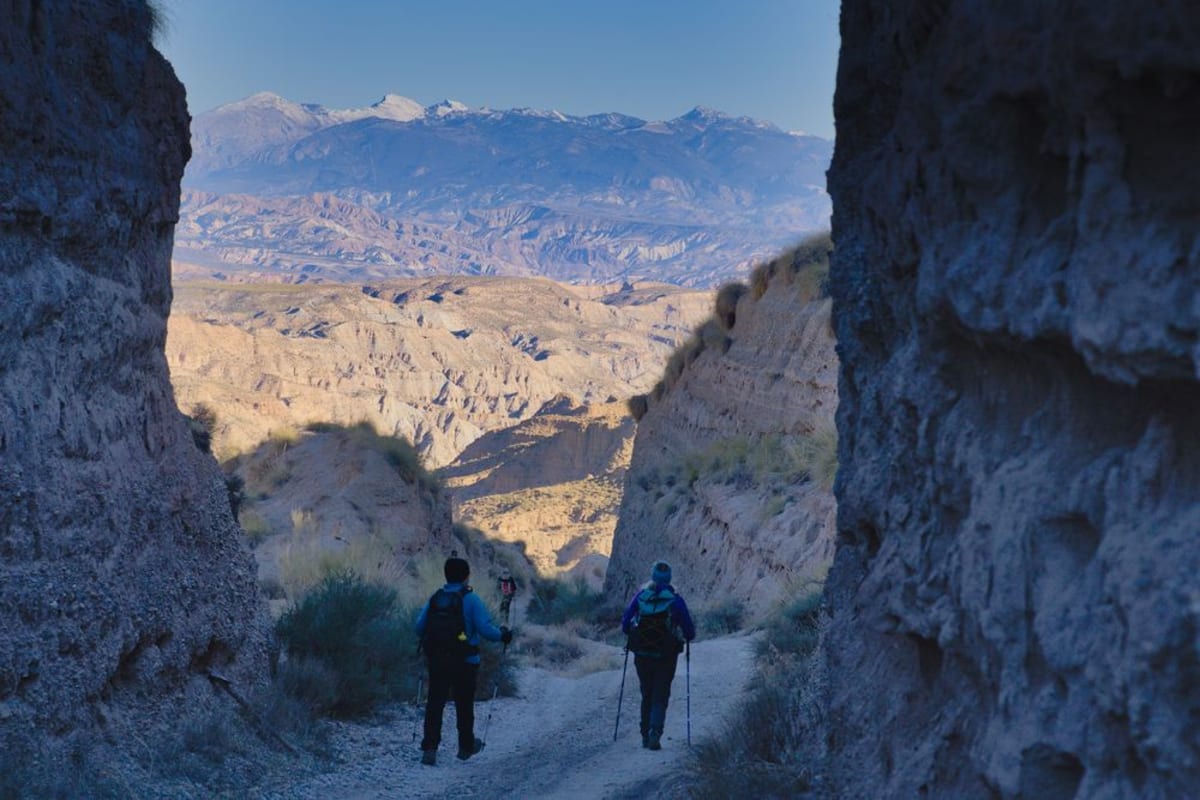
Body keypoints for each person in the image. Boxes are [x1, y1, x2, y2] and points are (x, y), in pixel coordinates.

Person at [415, 556, 513, 766]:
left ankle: (430, 748)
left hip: (437, 659)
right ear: (466, 576)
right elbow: (485, 630)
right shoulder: (472, 599)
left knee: (435, 703)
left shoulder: (436, 598)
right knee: (464, 704)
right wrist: (503, 635)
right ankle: (465, 746)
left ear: (446, 575)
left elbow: (419, 627)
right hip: (466, 660)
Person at [620, 560, 696, 750]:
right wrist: (684, 635)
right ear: (669, 578)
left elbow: (625, 625)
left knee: (646, 693)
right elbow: (689, 631)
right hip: (666, 656)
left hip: (642, 654)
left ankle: (644, 735)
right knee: (660, 694)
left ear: (652, 576)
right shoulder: (675, 600)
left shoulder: (641, 596)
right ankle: (655, 733)